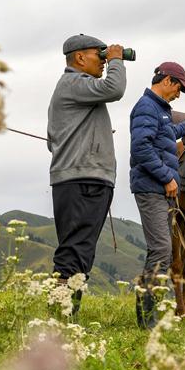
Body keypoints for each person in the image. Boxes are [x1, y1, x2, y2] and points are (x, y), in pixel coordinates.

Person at [47, 34, 127, 315]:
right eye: (99, 55)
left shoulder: (70, 89)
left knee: (79, 248)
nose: (104, 62)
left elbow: (51, 140)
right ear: (79, 58)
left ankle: (64, 315)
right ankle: (61, 317)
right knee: (76, 249)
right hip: (83, 180)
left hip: (78, 179)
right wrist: (117, 58)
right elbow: (115, 89)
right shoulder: (74, 82)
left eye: (106, 57)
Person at [129, 61, 185, 329]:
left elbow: (167, 134)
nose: (179, 94)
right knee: (160, 250)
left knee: (163, 251)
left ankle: (149, 314)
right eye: (179, 88)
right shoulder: (147, 107)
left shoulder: (159, 110)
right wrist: (167, 177)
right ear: (167, 81)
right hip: (151, 188)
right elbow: (142, 148)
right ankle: (146, 319)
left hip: (157, 189)